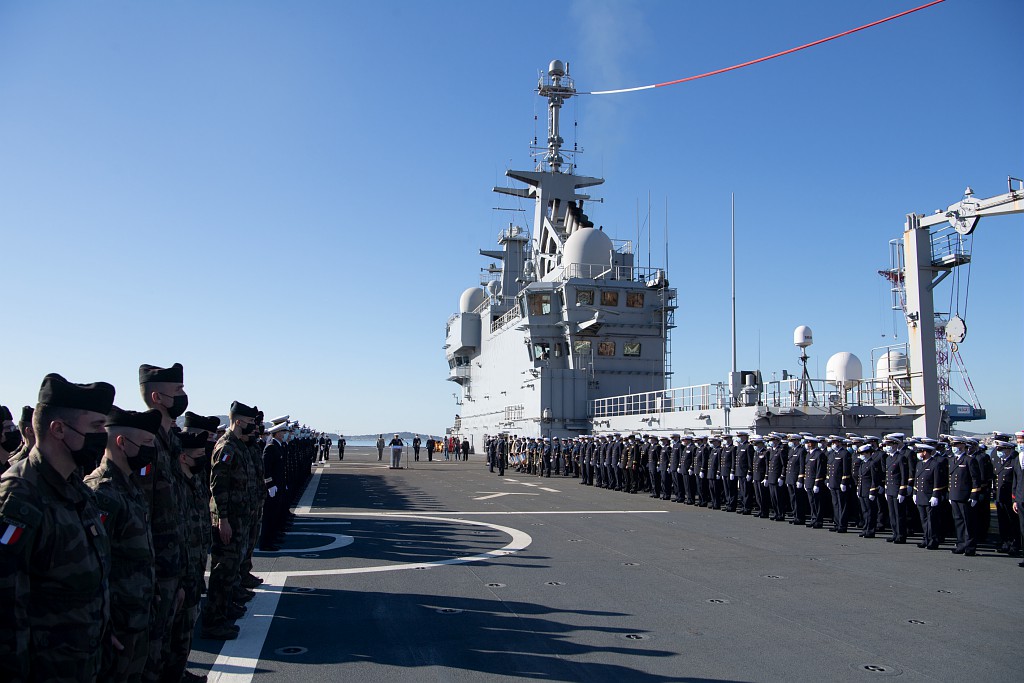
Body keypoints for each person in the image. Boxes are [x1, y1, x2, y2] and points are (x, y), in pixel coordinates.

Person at [0, 373, 115, 682]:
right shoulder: (20, 496)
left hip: (82, 661)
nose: (101, 436)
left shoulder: (75, 488)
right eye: (94, 427)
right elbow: (6, 608)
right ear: (59, 429)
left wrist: (104, 632)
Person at [85, 406, 160, 682]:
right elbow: (95, 566)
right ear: (121, 442)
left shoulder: (130, 485)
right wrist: (105, 624)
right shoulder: (101, 492)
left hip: (138, 613)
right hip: (118, 622)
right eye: (147, 444)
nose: (152, 451)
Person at [137, 362, 187, 681]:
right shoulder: (145, 446)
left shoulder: (171, 441)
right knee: (151, 650)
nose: (184, 395)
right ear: (158, 397)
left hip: (175, 560)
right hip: (155, 568)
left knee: (170, 637)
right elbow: (142, 515)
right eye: (178, 391)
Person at [203, 401, 259, 640]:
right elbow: (218, 486)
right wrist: (222, 519)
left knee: (233, 566)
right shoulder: (227, 447)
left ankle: (225, 609)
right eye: (248, 423)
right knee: (222, 570)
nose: (252, 427)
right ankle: (214, 620)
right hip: (229, 519)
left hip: (241, 517)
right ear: (238, 421)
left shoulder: (240, 446)